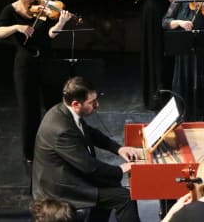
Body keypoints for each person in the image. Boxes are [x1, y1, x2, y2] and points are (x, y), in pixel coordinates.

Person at [31, 76, 141, 222]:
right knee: (125, 198)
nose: (97, 105)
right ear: (76, 104)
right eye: (92, 102)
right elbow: (89, 167)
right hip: (62, 187)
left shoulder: (65, 111)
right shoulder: (60, 129)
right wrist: (122, 169)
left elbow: (91, 133)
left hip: (68, 174)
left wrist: (119, 149)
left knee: (111, 183)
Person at [0, 0, 72, 164]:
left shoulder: (42, 8)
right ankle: (31, 153)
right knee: (29, 111)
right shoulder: (10, 11)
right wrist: (17, 27)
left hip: (46, 61)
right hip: (25, 64)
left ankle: (57, 147)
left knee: (54, 107)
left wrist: (61, 22)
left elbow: (50, 34)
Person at [120, 0, 179, 110]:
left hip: (166, 14)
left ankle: (165, 96)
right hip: (148, 15)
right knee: (151, 52)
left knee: (164, 53)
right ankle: (152, 97)